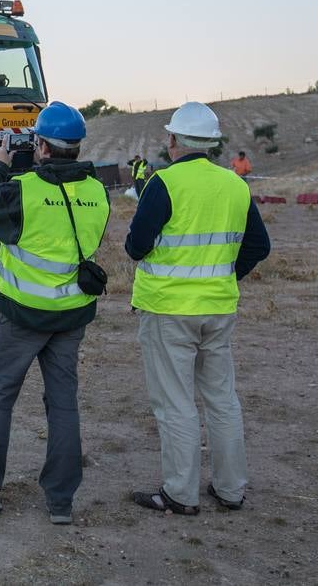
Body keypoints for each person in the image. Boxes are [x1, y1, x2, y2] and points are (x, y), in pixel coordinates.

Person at [0, 101, 111, 525]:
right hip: (72, 316)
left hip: (21, 317)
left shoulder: (24, 189)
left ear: (40, 146)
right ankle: (60, 502)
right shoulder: (97, 191)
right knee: (63, 406)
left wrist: (0, 164)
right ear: (75, 147)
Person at [126, 102, 270, 515]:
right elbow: (259, 247)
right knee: (222, 400)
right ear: (212, 142)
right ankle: (230, 490)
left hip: (168, 309)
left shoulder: (164, 183)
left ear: (173, 140)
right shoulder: (235, 185)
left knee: (176, 403)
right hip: (218, 309)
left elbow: (137, 245)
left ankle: (179, 494)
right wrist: (222, 276)